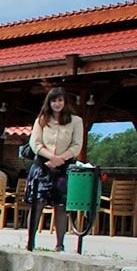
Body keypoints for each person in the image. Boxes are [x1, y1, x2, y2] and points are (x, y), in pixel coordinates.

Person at [25, 87, 83, 252]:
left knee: (60, 205)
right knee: (38, 203)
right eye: (53, 100)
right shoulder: (41, 120)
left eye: (60, 100)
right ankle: (31, 242)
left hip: (63, 166)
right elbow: (35, 143)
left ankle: (60, 244)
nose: (57, 104)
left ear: (65, 102)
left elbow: (76, 145)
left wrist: (60, 159)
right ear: (48, 103)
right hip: (42, 165)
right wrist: (50, 157)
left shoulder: (76, 121)